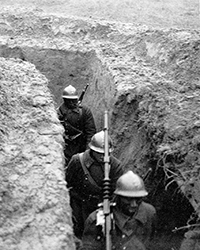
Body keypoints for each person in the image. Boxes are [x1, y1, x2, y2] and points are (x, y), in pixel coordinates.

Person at [66, 130, 123, 239]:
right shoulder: (77, 161)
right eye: (100, 153)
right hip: (79, 206)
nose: (103, 157)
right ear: (92, 150)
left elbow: (117, 192)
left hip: (100, 207)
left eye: (107, 153)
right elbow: (67, 183)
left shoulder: (115, 166)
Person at [80, 170, 157, 250]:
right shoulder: (98, 219)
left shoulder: (149, 213)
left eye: (138, 199)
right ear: (118, 197)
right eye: (128, 199)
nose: (133, 204)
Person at [57, 85, 96, 166]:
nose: (71, 103)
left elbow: (91, 132)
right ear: (64, 100)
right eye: (69, 100)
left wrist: (87, 152)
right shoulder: (59, 113)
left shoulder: (85, 111)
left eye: (73, 100)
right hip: (66, 147)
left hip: (81, 145)